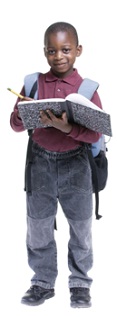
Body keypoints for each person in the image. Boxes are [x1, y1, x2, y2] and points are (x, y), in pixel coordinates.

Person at [10, 21, 103, 308]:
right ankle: (42, 282)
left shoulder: (86, 89)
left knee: (81, 228)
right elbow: (14, 124)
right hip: (40, 164)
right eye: (52, 51)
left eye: (65, 49)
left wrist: (66, 129)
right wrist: (27, 111)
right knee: (38, 227)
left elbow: (96, 132)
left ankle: (79, 284)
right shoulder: (33, 83)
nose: (58, 56)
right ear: (45, 52)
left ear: (78, 50)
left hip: (77, 165)